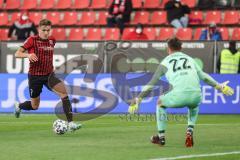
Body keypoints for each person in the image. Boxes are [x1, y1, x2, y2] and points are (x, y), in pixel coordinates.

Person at [128, 38, 234, 147]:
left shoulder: (164, 62)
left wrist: (139, 98)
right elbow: (204, 77)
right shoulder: (190, 59)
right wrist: (219, 86)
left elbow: (152, 83)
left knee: (160, 103)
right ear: (181, 48)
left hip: (178, 96)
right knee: (194, 105)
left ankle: (161, 137)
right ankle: (189, 131)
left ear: (168, 49)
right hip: (195, 95)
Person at [14, 19, 81, 132]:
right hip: (35, 77)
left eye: (48, 30)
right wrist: (28, 55)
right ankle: (19, 106)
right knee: (35, 106)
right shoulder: (32, 40)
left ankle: (71, 123)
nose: (46, 32)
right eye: (44, 30)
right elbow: (17, 53)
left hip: (49, 75)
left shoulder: (52, 40)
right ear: (39, 29)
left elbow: (47, 55)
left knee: (64, 93)